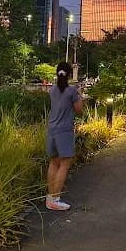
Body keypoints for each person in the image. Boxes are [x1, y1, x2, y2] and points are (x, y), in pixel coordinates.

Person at [45, 61, 83, 211]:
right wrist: (80, 96)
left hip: (52, 130)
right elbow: (79, 109)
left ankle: (50, 197)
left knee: (54, 163)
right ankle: (56, 199)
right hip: (64, 131)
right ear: (69, 74)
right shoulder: (71, 91)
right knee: (64, 164)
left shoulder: (52, 90)